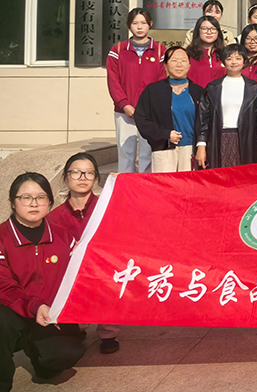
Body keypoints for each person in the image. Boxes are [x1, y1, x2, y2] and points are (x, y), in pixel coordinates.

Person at [0, 173, 85, 390]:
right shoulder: (1, 237)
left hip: (48, 314)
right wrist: (34, 306)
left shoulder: (64, 236)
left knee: (66, 354)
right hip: (11, 312)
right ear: (12, 202)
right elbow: (3, 285)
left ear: (50, 202)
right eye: (26, 197)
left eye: (41, 197)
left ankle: (42, 361)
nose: (34, 203)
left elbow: (82, 274)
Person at [46, 154, 120, 354]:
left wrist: (121, 186)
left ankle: (108, 332)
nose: (82, 177)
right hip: (71, 272)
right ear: (65, 177)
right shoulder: (54, 217)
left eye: (89, 173)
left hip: (102, 268)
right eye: (76, 172)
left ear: (96, 178)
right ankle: (77, 326)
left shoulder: (106, 208)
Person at [106, 8, 165, 174]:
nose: (139, 27)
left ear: (150, 24)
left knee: (148, 153)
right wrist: (124, 104)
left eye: (143, 23)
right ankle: (126, 185)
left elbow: (162, 81)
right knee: (126, 152)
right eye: (135, 23)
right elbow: (113, 81)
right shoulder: (118, 51)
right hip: (124, 111)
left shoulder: (160, 51)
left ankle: (145, 186)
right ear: (129, 25)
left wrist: (149, 107)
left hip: (150, 113)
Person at [134, 46, 204, 173]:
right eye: (174, 60)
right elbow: (141, 119)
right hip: (164, 149)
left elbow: (206, 122)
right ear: (165, 64)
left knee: (189, 184)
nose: (179, 65)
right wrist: (165, 134)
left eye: (183, 61)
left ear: (189, 65)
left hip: (191, 150)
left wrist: (201, 145)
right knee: (165, 184)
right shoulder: (153, 91)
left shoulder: (198, 92)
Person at [194, 44, 257, 169]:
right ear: (223, 62)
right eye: (229, 58)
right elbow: (203, 118)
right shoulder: (213, 88)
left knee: (243, 176)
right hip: (219, 138)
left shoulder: (254, 88)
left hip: (246, 141)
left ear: (244, 62)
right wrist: (201, 144)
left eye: (238, 58)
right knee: (221, 177)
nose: (234, 62)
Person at [185, 15, 226, 89]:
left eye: (213, 29)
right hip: (196, 94)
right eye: (204, 28)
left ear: (218, 32)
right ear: (198, 31)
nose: (209, 32)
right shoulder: (189, 53)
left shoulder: (225, 53)